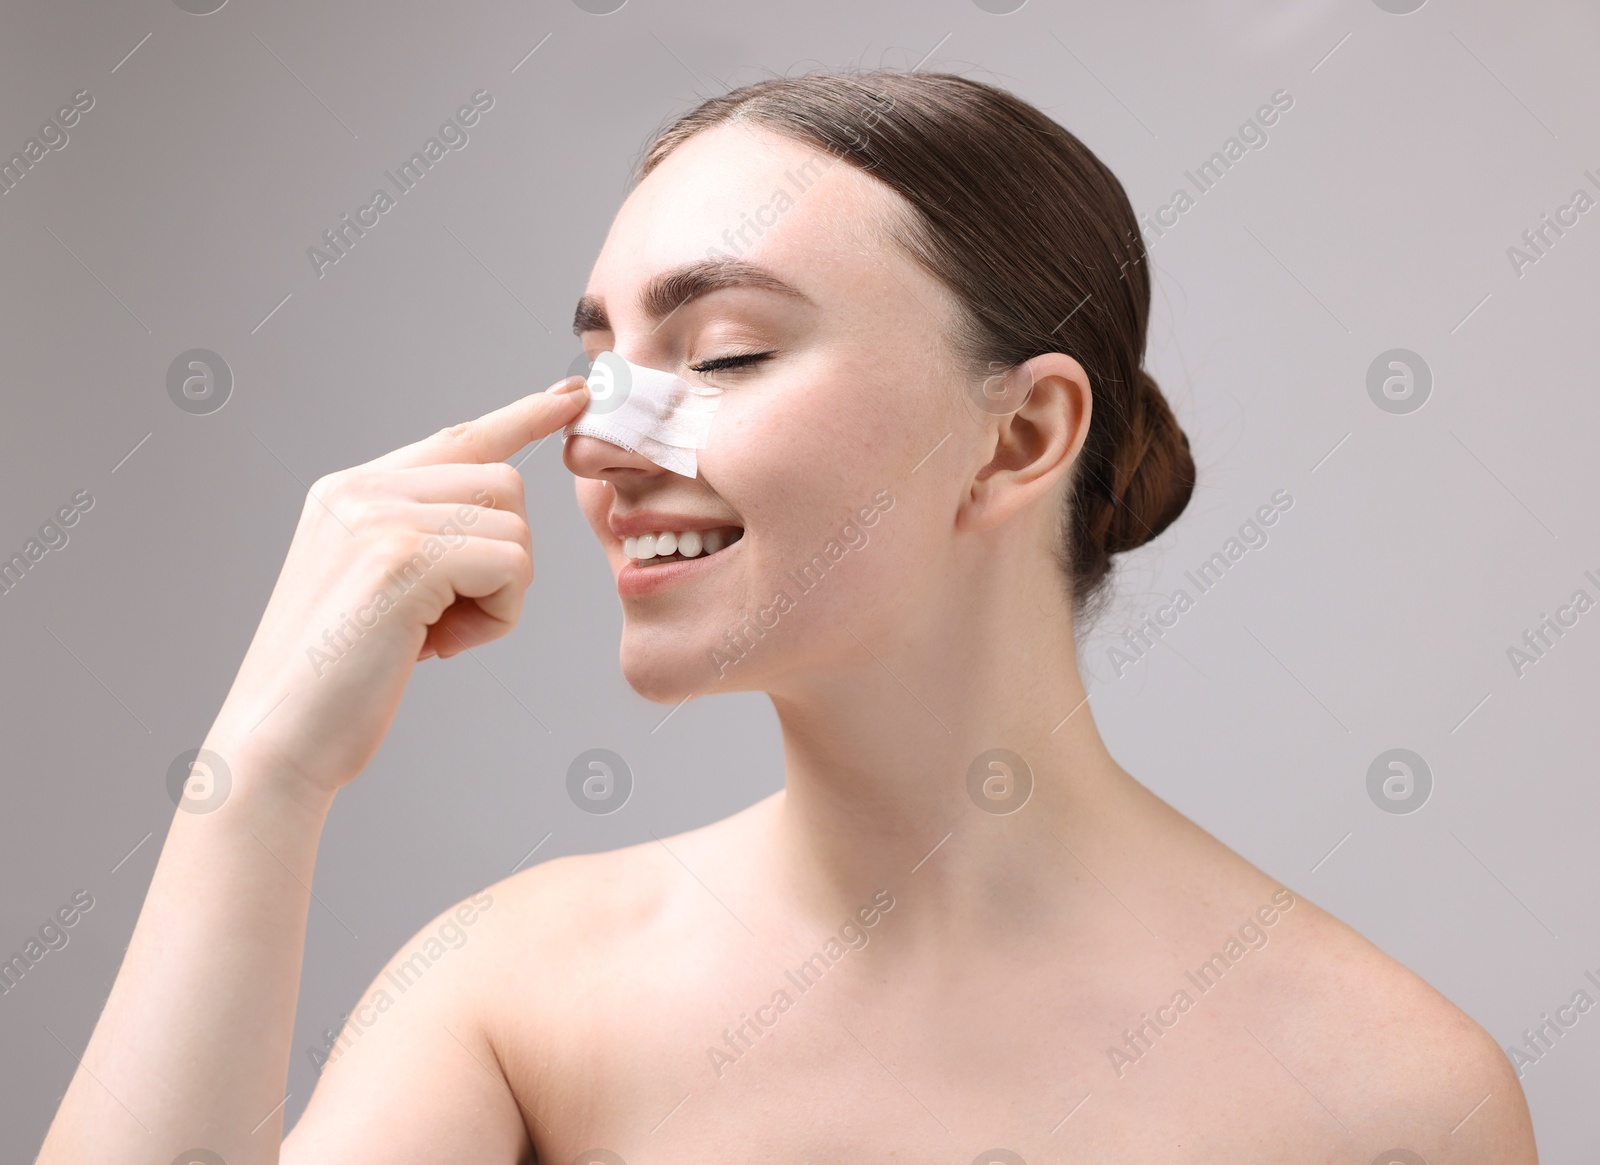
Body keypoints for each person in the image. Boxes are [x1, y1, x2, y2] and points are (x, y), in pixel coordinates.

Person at [38, 70, 1535, 1164]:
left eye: (729, 351)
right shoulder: (514, 997)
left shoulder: (1394, 1093)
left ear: (1020, 438)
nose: (603, 440)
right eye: (599, 363)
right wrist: (260, 781)